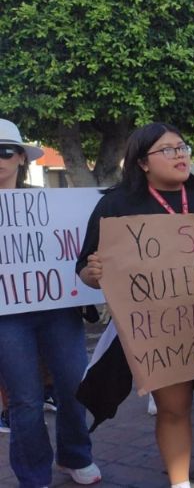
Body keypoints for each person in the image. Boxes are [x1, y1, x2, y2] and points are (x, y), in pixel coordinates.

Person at [76, 123, 194, 488]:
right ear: (142, 162)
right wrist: (94, 273)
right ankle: (181, 482)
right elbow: (86, 269)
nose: (180, 155)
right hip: (159, 332)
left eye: (182, 147)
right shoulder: (116, 204)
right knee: (173, 409)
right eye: (168, 150)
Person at [0, 118, 102, 487]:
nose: (0, 159)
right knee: (24, 398)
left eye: (5, 151)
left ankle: (76, 455)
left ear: (20, 158)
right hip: (6, 317)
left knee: (75, 383)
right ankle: (33, 473)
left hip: (58, 307)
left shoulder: (54, 203)